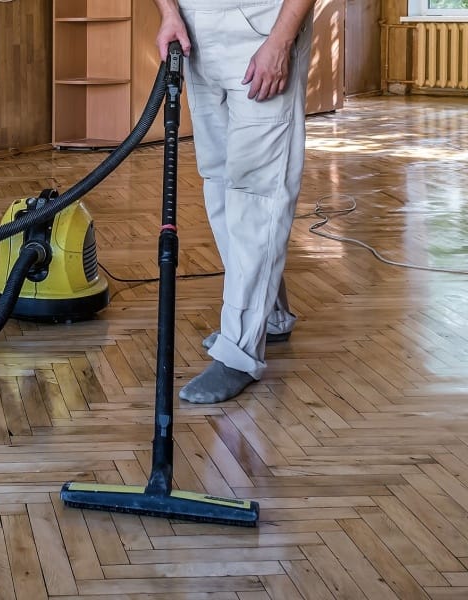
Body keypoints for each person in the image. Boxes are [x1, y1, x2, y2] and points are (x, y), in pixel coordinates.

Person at [152, 0, 315, 404]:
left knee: (257, 193)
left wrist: (281, 40)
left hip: (263, 29)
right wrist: (169, 13)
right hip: (196, 34)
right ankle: (269, 317)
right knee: (221, 182)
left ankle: (238, 353)